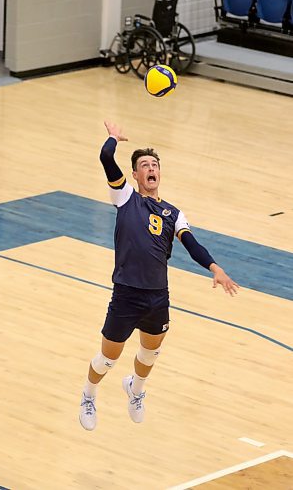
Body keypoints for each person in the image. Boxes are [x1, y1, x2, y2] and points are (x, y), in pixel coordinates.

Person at [79, 121, 239, 431]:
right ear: (136, 175)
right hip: (126, 292)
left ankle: (135, 390)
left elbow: (191, 244)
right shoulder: (125, 197)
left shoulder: (174, 213)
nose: (151, 169)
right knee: (108, 357)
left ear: (159, 173)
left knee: (150, 354)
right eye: (144, 165)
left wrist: (214, 267)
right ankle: (88, 394)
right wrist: (112, 138)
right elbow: (105, 158)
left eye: (154, 165)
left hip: (156, 295)